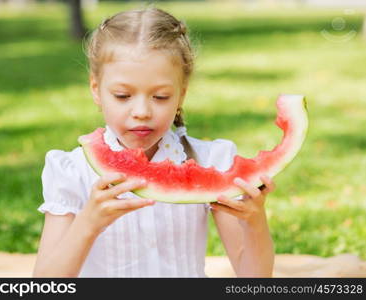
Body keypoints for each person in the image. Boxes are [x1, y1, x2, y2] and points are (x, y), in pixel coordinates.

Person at [32, 5, 276, 278]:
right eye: (123, 96)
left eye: (160, 97)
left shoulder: (212, 160)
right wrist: (87, 224)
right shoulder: (72, 171)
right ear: (96, 90)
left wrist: (255, 222)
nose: (142, 112)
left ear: (181, 95)